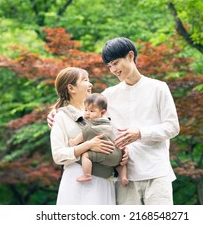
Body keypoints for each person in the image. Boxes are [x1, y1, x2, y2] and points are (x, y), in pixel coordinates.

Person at [48, 37, 180, 205]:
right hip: (124, 176)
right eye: (109, 66)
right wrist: (55, 114)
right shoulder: (109, 95)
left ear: (131, 56)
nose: (113, 70)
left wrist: (140, 133)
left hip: (156, 171)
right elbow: (85, 110)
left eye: (116, 63)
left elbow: (173, 127)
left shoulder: (158, 88)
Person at [50, 67, 118, 205]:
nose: (90, 84)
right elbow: (58, 155)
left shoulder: (102, 113)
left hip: (104, 180)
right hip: (77, 181)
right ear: (71, 88)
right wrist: (88, 145)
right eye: (85, 80)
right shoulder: (61, 117)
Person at [68, 93, 128, 185]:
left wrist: (74, 141)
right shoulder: (108, 123)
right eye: (86, 110)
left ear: (102, 112)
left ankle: (87, 175)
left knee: (86, 156)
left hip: (106, 155)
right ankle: (123, 177)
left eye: (91, 111)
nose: (87, 113)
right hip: (118, 156)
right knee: (120, 164)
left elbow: (83, 134)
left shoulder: (91, 125)